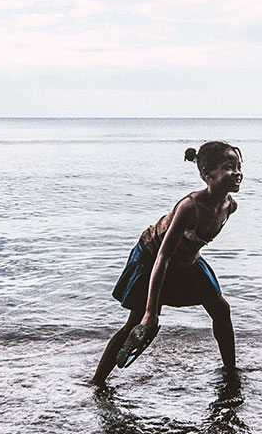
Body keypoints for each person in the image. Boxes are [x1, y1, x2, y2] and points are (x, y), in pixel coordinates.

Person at [92, 141, 243, 384]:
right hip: (153, 257)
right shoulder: (189, 207)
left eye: (238, 166)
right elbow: (162, 257)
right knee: (137, 321)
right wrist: (152, 312)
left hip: (186, 259)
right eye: (228, 167)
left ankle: (231, 373)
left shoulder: (230, 206)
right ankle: (97, 382)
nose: (237, 173)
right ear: (207, 174)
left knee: (221, 311)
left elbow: (191, 244)